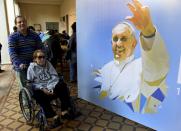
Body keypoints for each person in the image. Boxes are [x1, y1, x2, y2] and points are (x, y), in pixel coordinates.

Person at [94, 0, 169, 113]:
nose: (118, 43)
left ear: (134, 43)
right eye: (115, 39)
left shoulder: (141, 66)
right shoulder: (106, 68)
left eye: (123, 39)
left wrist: (148, 32)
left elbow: (157, 68)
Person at [27, 50, 79, 128]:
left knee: (63, 85)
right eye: (40, 57)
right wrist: (43, 88)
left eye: (44, 57)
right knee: (38, 95)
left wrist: (51, 88)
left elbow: (54, 76)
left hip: (51, 86)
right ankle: (54, 117)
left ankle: (64, 112)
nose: (42, 59)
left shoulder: (48, 63)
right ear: (35, 59)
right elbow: (30, 83)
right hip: (41, 89)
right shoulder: (31, 68)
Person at [8, 16, 43, 90]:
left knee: (37, 84)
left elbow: (40, 47)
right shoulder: (12, 37)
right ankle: (25, 101)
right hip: (21, 66)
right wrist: (19, 63)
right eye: (19, 22)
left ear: (26, 23)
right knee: (25, 88)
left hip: (34, 64)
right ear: (16, 24)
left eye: (23, 21)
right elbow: (12, 52)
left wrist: (40, 58)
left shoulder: (34, 35)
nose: (22, 23)